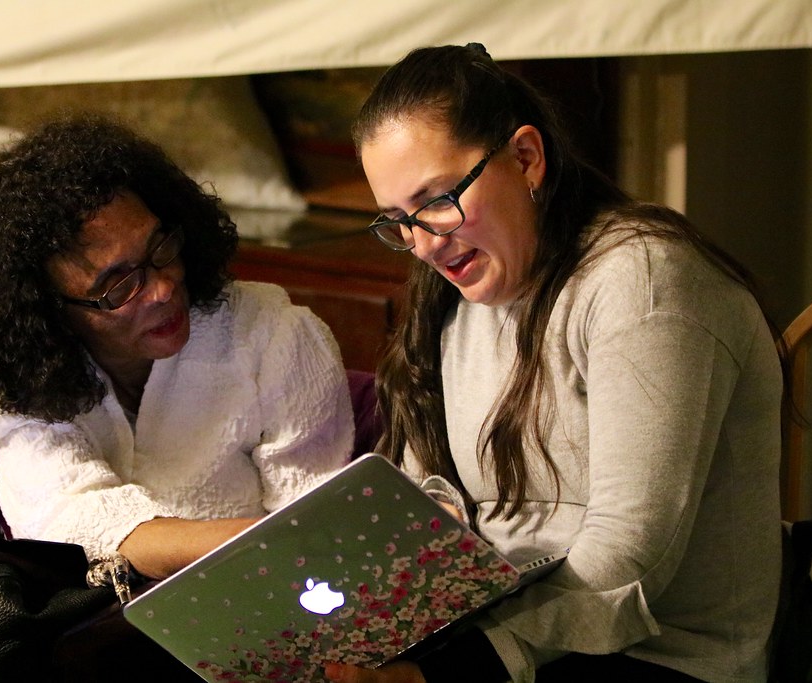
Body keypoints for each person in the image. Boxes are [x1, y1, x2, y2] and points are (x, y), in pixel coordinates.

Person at [326, 44, 784, 683]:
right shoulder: (453, 303)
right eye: (399, 221)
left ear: (525, 159)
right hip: (510, 638)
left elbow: (629, 565)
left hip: (659, 656)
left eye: (437, 199)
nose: (425, 244)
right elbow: (427, 511)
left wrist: (446, 671)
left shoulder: (645, 285)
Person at [0, 114, 354, 581]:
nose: (162, 290)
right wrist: (269, 538)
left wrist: (286, 542)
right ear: (47, 310)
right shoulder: (19, 372)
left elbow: (315, 539)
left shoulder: (274, 336)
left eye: (161, 249)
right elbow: (67, 519)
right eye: (118, 285)